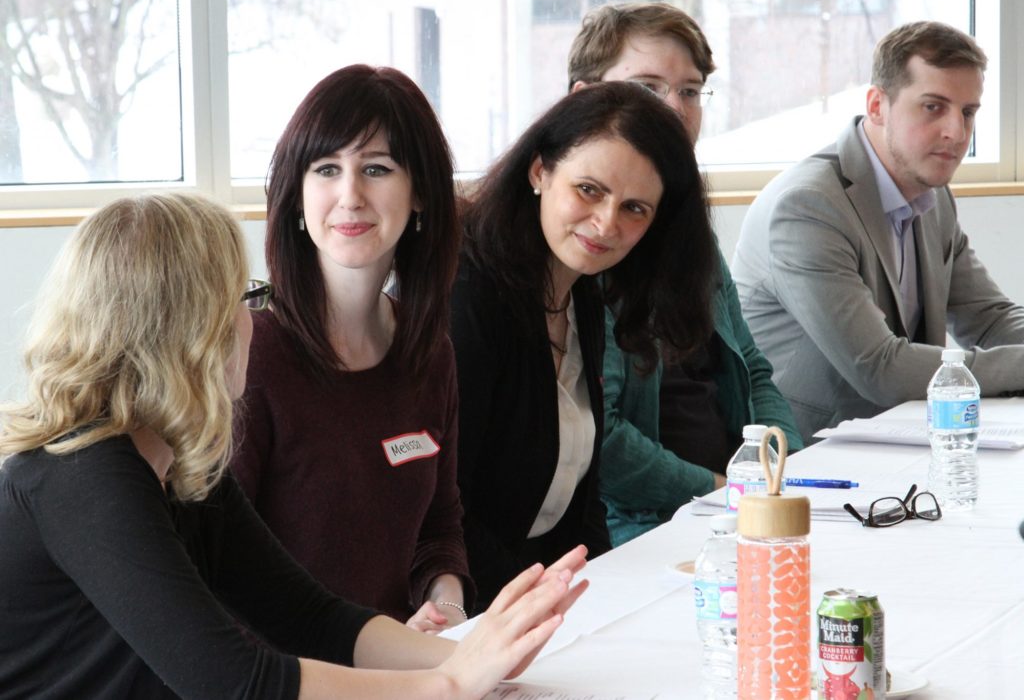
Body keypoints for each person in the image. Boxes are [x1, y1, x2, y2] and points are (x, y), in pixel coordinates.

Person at [0, 192, 588, 699]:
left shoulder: (179, 463)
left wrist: (472, 651)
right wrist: (449, 683)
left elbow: (311, 617)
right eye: (241, 297)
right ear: (187, 330)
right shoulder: (85, 474)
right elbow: (234, 684)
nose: (251, 320)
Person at [451, 80, 718, 608]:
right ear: (539, 172)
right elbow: (443, 511)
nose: (606, 224)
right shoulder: (468, 295)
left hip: (549, 597)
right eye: (589, 190)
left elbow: (582, 498)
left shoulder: (584, 295)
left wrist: (598, 591)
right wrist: (547, 604)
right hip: (476, 607)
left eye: (635, 209)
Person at [233, 65, 472, 632]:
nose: (350, 195)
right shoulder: (250, 351)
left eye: (376, 168)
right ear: (295, 197)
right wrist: (369, 652)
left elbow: (440, 528)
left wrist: (447, 610)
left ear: (419, 196)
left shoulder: (429, 352)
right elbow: (219, 571)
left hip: (395, 669)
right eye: (326, 169)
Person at [567, 2, 803, 546]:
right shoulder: (585, 238)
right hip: (639, 527)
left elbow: (754, 370)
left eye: (690, 91)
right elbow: (601, 438)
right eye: (648, 88)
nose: (674, 109)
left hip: (731, 507)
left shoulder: (689, 225)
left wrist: (781, 471)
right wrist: (720, 490)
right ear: (584, 100)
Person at [731, 20, 1024, 442]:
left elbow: (988, 318)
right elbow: (880, 368)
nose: (956, 133)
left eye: (968, 112)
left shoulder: (933, 196)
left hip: (898, 442)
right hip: (804, 458)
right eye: (933, 107)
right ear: (876, 106)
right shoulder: (807, 207)